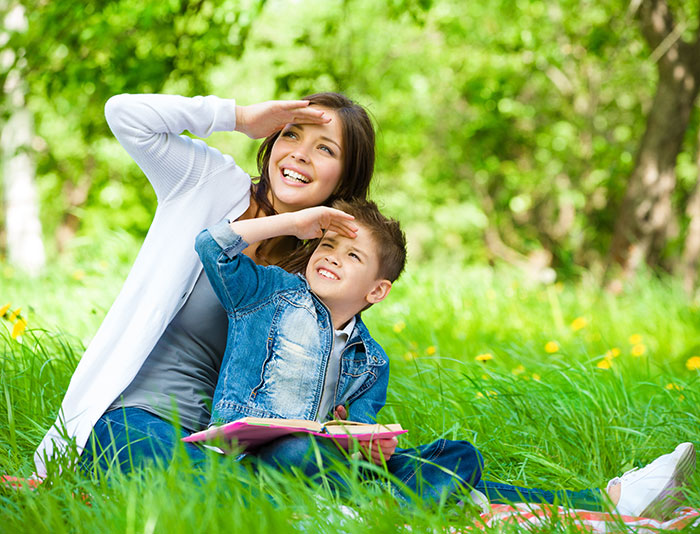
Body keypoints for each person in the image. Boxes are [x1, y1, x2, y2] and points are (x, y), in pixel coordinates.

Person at [33, 91, 376, 478]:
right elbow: (124, 114)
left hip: (229, 444)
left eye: (325, 149)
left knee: (314, 466)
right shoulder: (209, 183)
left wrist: (338, 414)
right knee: (210, 484)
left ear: (346, 177)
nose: (299, 153)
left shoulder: (322, 267)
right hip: (135, 415)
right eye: (291, 134)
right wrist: (239, 117)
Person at [192, 199, 482, 504]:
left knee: (461, 454)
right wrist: (293, 223)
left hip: (330, 463)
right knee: (299, 450)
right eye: (328, 245)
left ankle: (375, 505)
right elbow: (210, 245)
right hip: (251, 458)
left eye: (353, 254)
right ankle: (381, 504)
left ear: (377, 291)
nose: (332, 257)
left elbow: (362, 432)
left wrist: (371, 446)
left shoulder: (372, 361)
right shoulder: (267, 294)